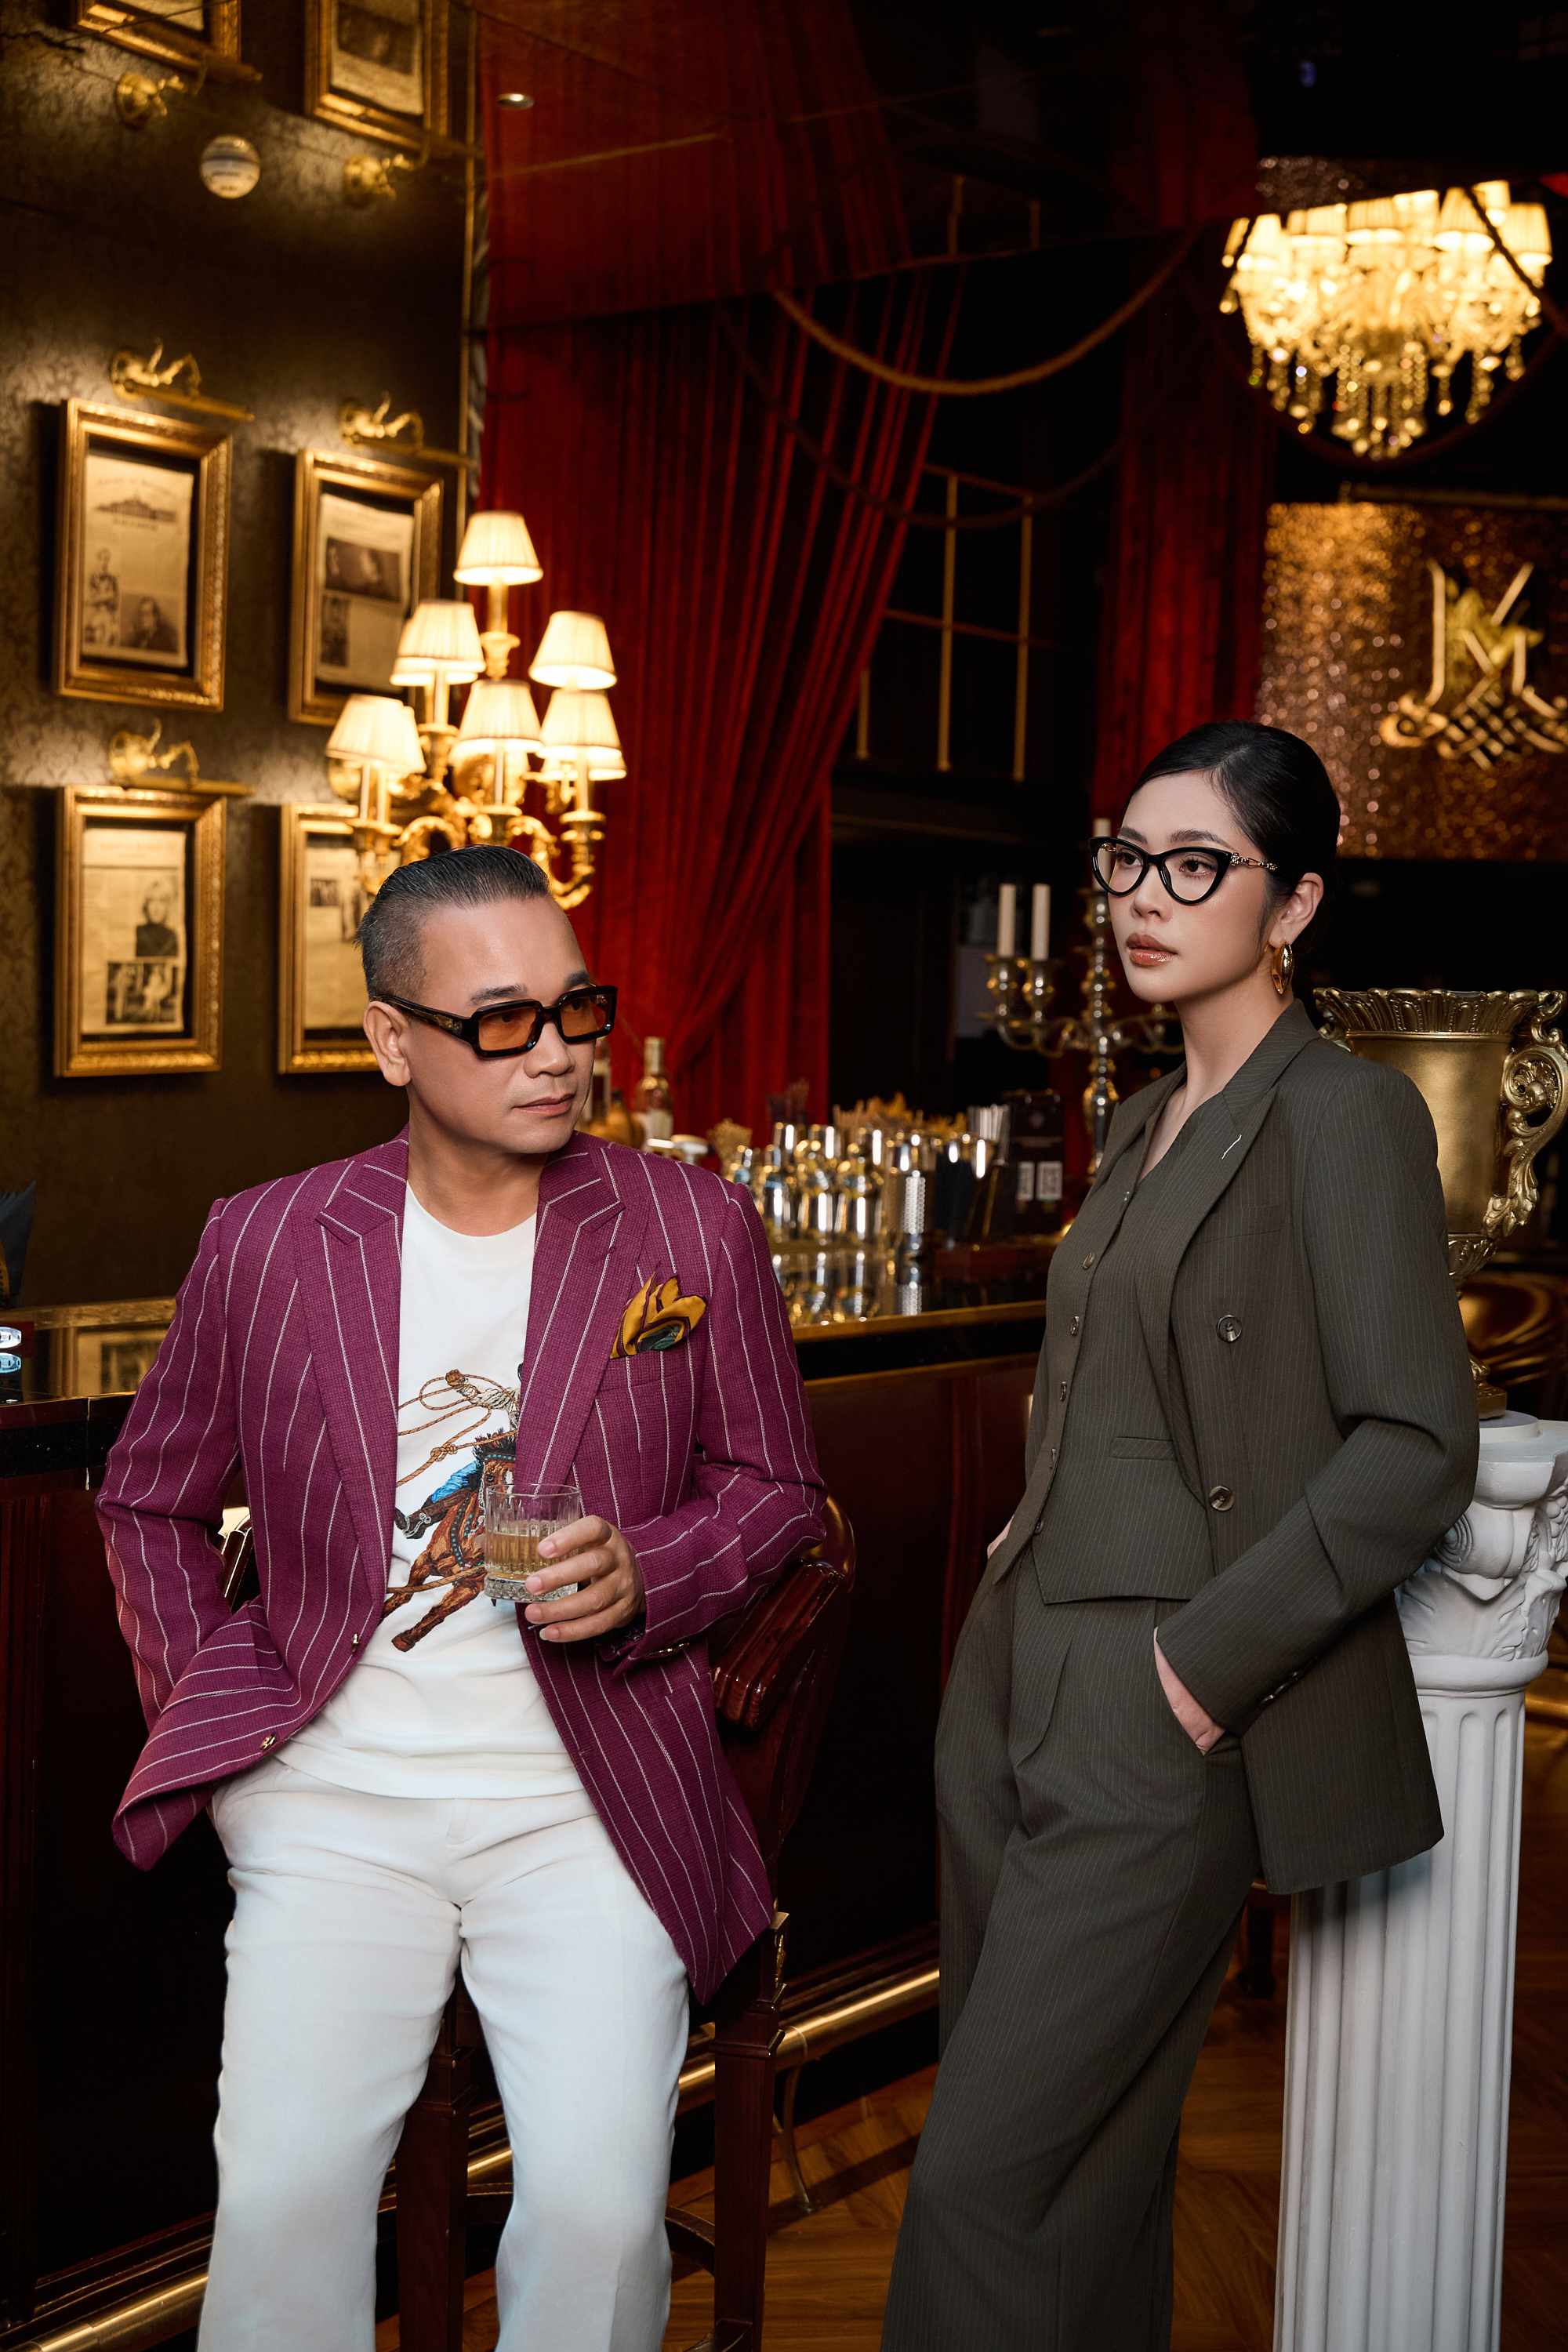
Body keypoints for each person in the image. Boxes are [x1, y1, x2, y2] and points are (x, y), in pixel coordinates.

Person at [99, 844, 824, 2352]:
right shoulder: (268, 1240)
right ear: (391, 1040)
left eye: (577, 1009)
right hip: (331, 1799)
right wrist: (222, 1740)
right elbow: (149, 1498)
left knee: (602, 2216)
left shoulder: (690, 1227)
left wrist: (652, 1570)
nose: (557, 1053)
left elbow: (775, 1492)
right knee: (284, 2200)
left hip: (590, 1795)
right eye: (502, 1021)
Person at [880, 720, 1477, 2350]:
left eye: (1196, 865)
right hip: (1016, 1674)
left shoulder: (1342, 1118)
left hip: (1158, 1706)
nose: (1144, 896)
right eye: (1126, 860)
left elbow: (1419, 1443)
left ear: (1294, 903)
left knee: (982, 2184)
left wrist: (1201, 1672)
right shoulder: (1145, 1120)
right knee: (1083, 2179)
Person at [135, 880, 179, 960]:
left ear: (168, 906)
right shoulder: (138, 932)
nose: (156, 907)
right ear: (146, 905)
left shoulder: (172, 936)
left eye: (162, 901)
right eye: (151, 901)